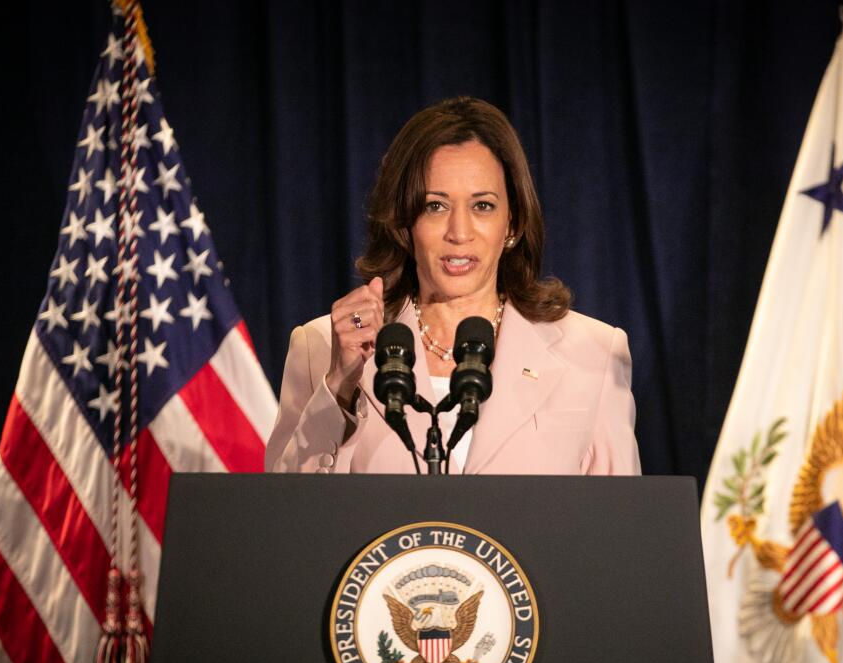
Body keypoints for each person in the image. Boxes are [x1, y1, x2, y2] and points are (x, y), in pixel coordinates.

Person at [264, 96, 640, 475]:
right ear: (403, 223)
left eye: (482, 206)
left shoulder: (593, 354)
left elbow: (622, 525)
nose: (459, 233)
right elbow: (285, 517)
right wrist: (340, 387)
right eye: (435, 206)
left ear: (512, 223)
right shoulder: (321, 348)